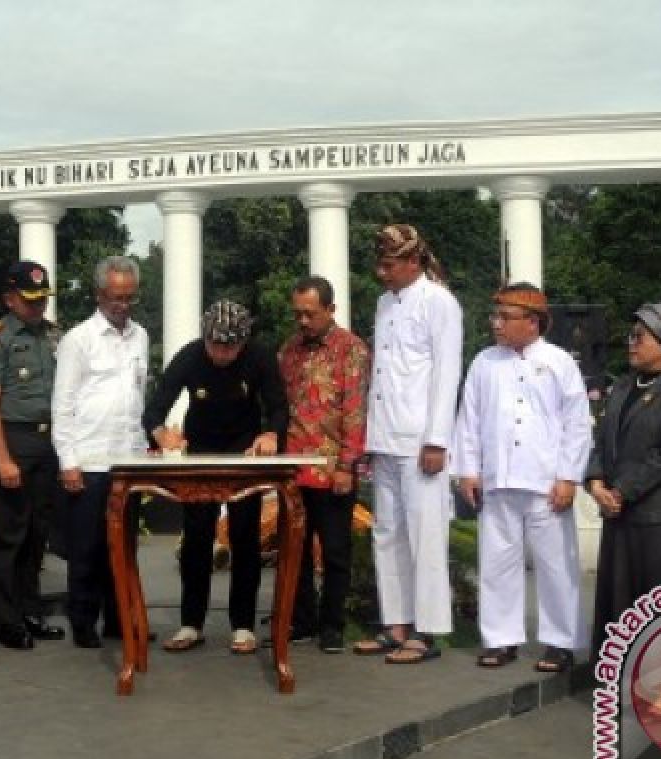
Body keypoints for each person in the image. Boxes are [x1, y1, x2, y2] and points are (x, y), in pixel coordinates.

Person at [454, 283, 591, 672]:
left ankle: (560, 642)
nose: (496, 324)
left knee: (555, 563)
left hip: (545, 480)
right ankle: (500, 639)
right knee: (497, 562)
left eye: (505, 317)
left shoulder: (559, 362)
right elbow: (470, 419)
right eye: (494, 316)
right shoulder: (484, 362)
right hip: (498, 479)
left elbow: (576, 424)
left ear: (533, 322)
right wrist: (468, 469)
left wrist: (568, 476)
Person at [145, 299, 289, 656]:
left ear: (243, 342)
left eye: (231, 347)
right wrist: (161, 433)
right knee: (196, 539)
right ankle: (190, 623)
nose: (222, 354)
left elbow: (278, 406)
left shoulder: (259, 357)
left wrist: (271, 434)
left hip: (244, 453)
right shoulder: (190, 356)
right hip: (201, 452)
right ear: (204, 337)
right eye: (216, 345)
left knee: (244, 537)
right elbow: (155, 406)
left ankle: (242, 625)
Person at [355, 224, 462, 664]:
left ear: (414, 261)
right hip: (385, 436)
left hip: (421, 440)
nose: (382, 273)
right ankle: (394, 625)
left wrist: (437, 438)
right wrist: (370, 437)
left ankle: (426, 631)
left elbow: (447, 371)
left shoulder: (440, 302)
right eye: (380, 263)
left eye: (390, 263)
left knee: (425, 536)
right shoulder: (385, 303)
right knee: (388, 534)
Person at [586, 299, 661, 660]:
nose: (631, 342)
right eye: (630, 334)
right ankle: (620, 679)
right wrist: (595, 483)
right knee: (620, 604)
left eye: (640, 335)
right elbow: (601, 440)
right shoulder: (622, 386)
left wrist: (620, 490)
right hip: (620, 516)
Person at [52, 255, 150, 649]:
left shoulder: (140, 336)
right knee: (88, 547)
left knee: (125, 545)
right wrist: (68, 461)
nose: (122, 305)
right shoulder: (79, 340)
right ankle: (83, 620)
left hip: (128, 458)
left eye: (129, 297)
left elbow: (139, 397)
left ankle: (120, 617)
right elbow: (63, 404)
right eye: (115, 297)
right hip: (90, 459)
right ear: (98, 294)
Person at [277, 276, 369, 654]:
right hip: (294, 467)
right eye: (297, 313)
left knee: (334, 552)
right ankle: (301, 620)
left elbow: (355, 411)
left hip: (333, 469)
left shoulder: (352, 350)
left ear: (330, 310)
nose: (302, 321)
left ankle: (332, 625)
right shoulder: (290, 350)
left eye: (309, 314)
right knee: (293, 549)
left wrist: (347, 464)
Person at [0, 261, 65, 650]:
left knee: (37, 534)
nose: (37, 307)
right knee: (9, 535)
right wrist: (2, 457)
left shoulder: (52, 335)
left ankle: (32, 611)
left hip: (49, 442)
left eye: (41, 299)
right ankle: (8, 620)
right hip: (14, 439)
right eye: (29, 300)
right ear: (9, 299)